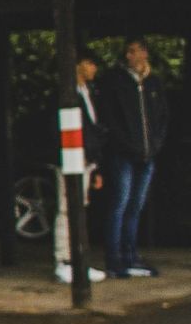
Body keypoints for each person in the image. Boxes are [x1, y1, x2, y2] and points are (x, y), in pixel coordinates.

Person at [98, 36, 169, 279]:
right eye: (127, 51)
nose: (128, 56)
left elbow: (162, 117)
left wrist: (156, 144)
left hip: (148, 154)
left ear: (144, 53)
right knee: (120, 202)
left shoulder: (153, 83)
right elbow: (110, 119)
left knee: (135, 206)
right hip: (124, 154)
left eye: (133, 51)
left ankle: (130, 254)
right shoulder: (115, 81)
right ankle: (114, 257)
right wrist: (127, 145)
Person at [53, 56, 107, 288]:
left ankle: (78, 259)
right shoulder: (65, 93)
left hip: (87, 160)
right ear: (78, 65)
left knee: (79, 209)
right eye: (90, 63)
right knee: (66, 208)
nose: (94, 68)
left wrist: (96, 164)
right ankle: (63, 260)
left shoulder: (89, 92)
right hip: (71, 159)